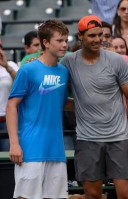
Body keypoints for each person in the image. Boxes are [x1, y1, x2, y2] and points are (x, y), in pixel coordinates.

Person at [60, 15, 128, 199]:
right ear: (80, 36)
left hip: (119, 138)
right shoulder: (68, 63)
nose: (98, 39)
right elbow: (54, 89)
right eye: (92, 35)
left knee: (127, 195)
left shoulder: (116, 60)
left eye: (100, 35)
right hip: (87, 139)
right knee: (92, 195)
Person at [6, 19, 72, 199]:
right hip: (30, 149)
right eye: (59, 40)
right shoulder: (28, 70)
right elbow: (12, 105)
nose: (64, 45)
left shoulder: (64, 72)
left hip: (57, 150)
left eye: (66, 40)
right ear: (46, 42)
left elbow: (61, 102)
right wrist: (14, 143)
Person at [0, 38, 19, 151]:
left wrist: (6, 66)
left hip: (6, 121)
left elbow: (22, 84)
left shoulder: (11, 65)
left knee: (9, 159)